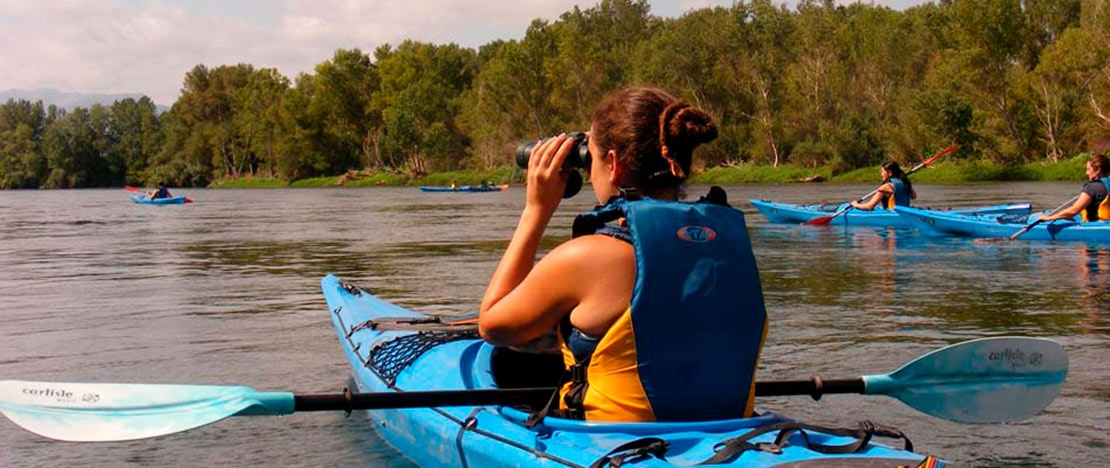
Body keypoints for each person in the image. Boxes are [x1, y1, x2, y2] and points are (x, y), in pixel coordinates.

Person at [478, 86, 768, 423]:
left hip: (615, 444)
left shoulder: (589, 257)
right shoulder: (729, 244)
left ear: (613, 164)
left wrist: (536, 210)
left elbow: (493, 326)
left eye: (593, 157)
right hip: (730, 432)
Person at [1038, 154, 1110, 222]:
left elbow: (1074, 210)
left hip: (1095, 226)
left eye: (1088, 169)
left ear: (1097, 170)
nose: (1086, 173)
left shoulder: (1091, 188)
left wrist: (1049, 218)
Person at [849, 161, 916, 211]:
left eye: (882, 171)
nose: (881, 173)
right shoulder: (905, 183)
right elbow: (913, 196)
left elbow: (869, 206)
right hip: (905, 213)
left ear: (889, 173)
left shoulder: (886, 187)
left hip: (892, 221)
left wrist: (855, 204)